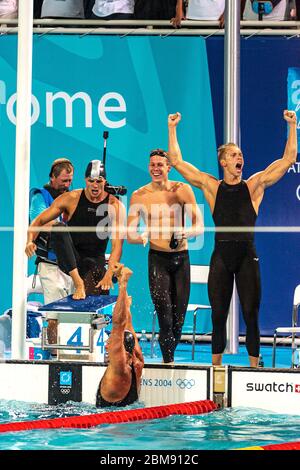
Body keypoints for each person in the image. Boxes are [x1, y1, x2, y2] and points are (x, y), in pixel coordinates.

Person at [167, 110, 297, 367]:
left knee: (251, 315)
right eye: (234, 155)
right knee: (218, 316)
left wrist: (292, 126)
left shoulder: (254, 186)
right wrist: (171, 128)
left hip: (248, 255)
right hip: (222, 257)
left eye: (241, 155)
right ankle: (216, 370)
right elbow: (177, 162)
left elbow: (288, 158)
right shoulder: (212, 187)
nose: (240, 158)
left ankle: (252, 369)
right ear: (223, 162)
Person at [127, 149, 203, 364]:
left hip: (181, 259)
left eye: (160, 165)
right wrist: (140, 235)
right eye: (152, 165)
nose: (156, 169)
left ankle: (169, 356)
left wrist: (186, 232)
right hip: (157, 259)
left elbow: (199, 225)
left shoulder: (182, 190)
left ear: (169, 168)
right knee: (165, 316)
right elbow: (129, 234)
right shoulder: (139, 195)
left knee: (179, 318)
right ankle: (168, 361)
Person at [26, 159, 125, 301]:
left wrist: (109, 274)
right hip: (70, 260)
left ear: (105, 182)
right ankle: (78, 283)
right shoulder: (71, 198)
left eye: (99, 181)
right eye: (91, 181)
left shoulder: (115, 205)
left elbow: (117, 245)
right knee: (59, 229)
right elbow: (38, 220)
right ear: (85, 180)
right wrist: (30, 240)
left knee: (93, 312)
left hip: (94, 261)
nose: (95, 185)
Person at [29, 158, 74, 345]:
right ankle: (52, 349)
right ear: (52, 178)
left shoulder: (72, 197)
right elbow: (42, 222)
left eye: (70, 180)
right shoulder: (40, 196)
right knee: (54, 312)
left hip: (70, 265)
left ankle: (68, 348)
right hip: (49, 264)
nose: (67, 184)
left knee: (71, 311)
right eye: (64, 180)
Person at [96, 262, 144, 408]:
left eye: (111, 340)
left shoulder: (119, 368)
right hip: (129, 424)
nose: (107, 344)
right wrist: (127, 307)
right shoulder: (137, 362)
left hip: (107, 427)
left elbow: (118, 324)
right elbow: (127, 327)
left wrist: (123, 284)